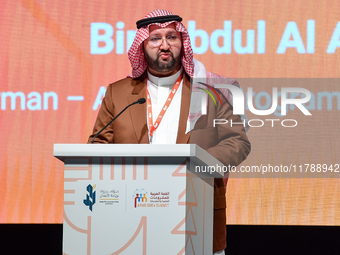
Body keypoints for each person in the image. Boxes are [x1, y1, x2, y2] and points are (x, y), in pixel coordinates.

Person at [88, 9, 251, 254]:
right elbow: (98, 146)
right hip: (130, 211)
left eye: (172, 37)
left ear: (182, 43)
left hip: (195, 209)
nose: (164, 45)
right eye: (155, 38)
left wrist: (195, 166)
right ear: (142, 46)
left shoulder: (213, 89)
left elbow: (237, 141)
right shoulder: (118, 93)